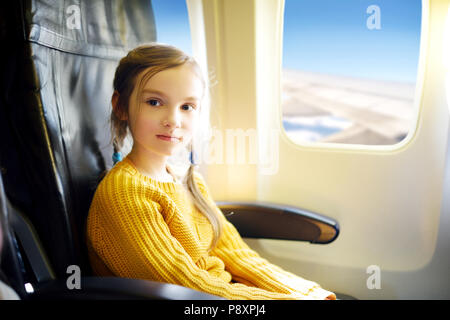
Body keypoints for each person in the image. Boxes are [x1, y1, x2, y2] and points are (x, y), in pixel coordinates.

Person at [86, 43, 336, 300]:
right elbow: (185, 288)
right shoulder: (125, 194)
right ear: (120, 106)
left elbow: (235, 254)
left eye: (187, 107)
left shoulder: (187, 179)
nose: (174, 120)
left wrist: (306, 293)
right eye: (154, 102)